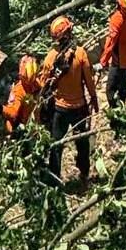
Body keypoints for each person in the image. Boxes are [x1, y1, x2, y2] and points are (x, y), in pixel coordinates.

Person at [41, 14, 98, 186]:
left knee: (56, 145)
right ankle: (84, 173)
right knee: (82, 142)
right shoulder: (80, 54)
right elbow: (89, 80)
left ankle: (54, 180)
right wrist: (94, 98)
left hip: (60, 109)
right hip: (80, 107)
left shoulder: (50, 58)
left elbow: (44, 84)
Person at [98, 0, 126, 110]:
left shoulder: (117, 19)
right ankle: (122, 107)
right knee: (123, 84)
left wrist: (103, 61)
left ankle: (115, 109)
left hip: (119, 59)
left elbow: (111, 42)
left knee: (110, 88)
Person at [2, 55, 42, 138]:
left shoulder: (20, 90)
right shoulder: (37, 84)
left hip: (19, 127)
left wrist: (0, 108)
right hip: (32, 124)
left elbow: (13, 113)